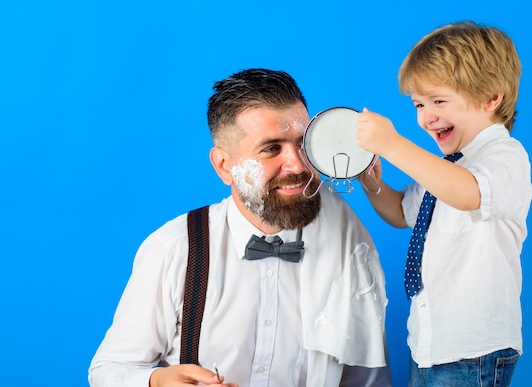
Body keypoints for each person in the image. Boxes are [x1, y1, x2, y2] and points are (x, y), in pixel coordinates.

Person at [88, 68, 392, 387]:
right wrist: (157, 380)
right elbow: (109, 369)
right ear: (224, 166)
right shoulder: (174, 248)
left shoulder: (348, 240)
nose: (298, 165)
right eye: (271, 149)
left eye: (304, 144)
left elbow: (369, 378)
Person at [355, 21, 532, 386]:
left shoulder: (505, 157)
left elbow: (469, 194)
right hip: (429, 343)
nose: (426, 117)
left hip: (474, 350)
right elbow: (403, 213)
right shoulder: (446, 168)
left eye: (438, 101)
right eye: (419, 104)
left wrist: (392, 144)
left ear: (491, 98)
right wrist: (368, 179)